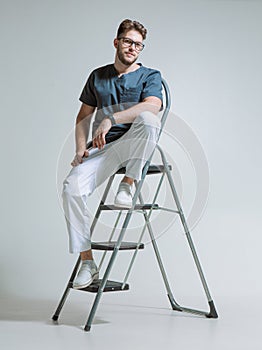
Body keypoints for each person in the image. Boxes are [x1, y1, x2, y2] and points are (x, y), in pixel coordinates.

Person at [62, 19, 163, 289]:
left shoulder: (150, 75)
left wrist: (111, 119)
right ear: (117, 42)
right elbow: (83, 116)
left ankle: (128, 184)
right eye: (128, 42)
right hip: (104, 148)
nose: (133, 48)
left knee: (149, 119)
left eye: (139, 45)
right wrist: (80, 147)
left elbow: (153, 107)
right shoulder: (98, 76)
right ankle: (87, 262)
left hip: (135, 144)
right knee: (71, 189)